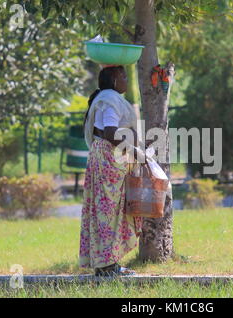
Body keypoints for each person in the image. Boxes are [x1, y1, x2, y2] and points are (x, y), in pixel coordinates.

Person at [79, 65, 148, 276]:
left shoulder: (106, 98)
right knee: (109, 213)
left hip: (104, 157)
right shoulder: (109, 99)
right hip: (108, 158)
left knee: (103, 212)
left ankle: (105, 266)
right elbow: (110, 132)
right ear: (115, 79)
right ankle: (109, 267)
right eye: (124, 76)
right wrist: (134, 151)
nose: (127, 80)